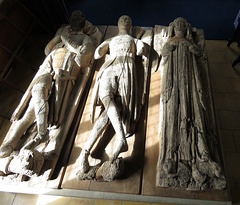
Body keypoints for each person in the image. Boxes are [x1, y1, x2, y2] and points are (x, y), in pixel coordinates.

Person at [0, 11, 94, 159]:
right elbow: (47, 51)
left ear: (85, 25)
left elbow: (82, 59)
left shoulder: (86, 39)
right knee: (36, 95)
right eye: (75, 16)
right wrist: (58, 38)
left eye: (80, 17)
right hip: (48, 66)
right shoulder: (61, 36)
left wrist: (67, 41)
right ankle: (14, 140)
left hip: (64, 72)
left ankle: (41, 134)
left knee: (41, 107)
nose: (76, 18)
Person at [157, 17, 226, 190]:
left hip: (190, 83)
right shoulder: (171, 42)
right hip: (173, 85)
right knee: (172, 115)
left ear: (186, 28)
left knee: (196, 113)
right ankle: (172, 157)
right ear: (173, 27)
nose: (180, 26)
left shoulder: (188, 43)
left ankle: (202, 156)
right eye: (177, 24)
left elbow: (199, 54)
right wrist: (169, 47)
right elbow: (163, 53)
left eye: (183, 24)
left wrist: (191, 44)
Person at [77, 15, 148, 176]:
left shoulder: (133, 40)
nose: (125, 19)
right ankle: (122, 140)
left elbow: (143, 51)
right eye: (122, 18)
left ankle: (86, 152)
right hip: (110, 67)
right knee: (106, 98)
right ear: (117, 24)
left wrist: (138, 40)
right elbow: (97, 54)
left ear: (131, 25)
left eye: (128, 19)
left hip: (127, 68)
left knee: (111, 111)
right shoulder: (111, 40)